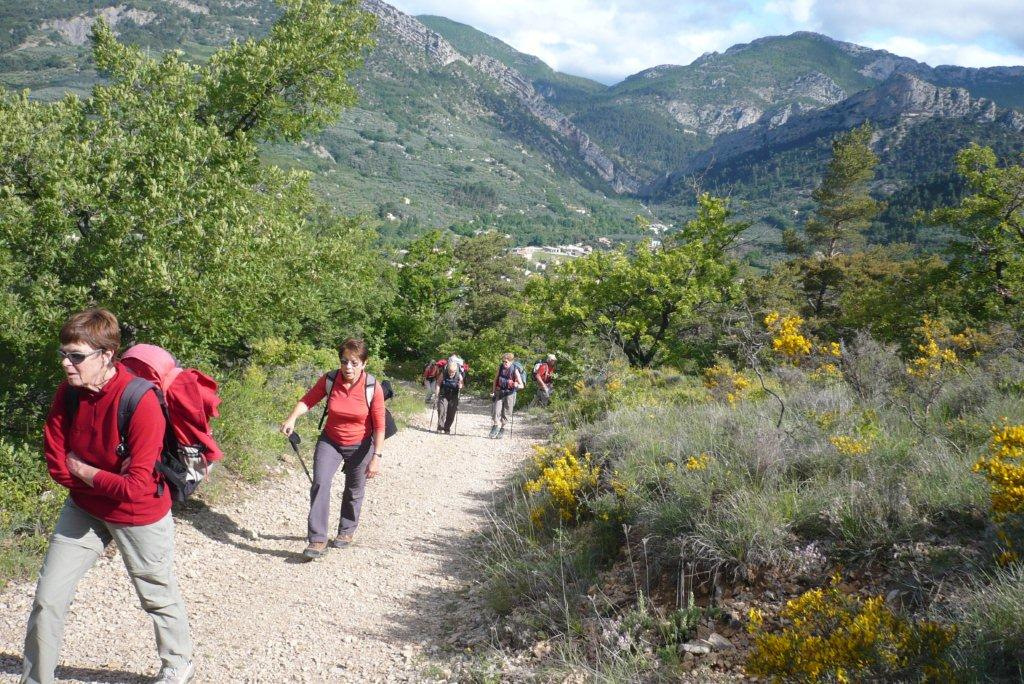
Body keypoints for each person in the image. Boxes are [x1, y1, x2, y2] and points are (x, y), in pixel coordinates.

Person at [23, 308, 194, 684]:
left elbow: (135, 487)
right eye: (63, 353)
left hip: (138, 513)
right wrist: (95, 480)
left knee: (156, 594)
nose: (66, 363)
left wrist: (85, 471)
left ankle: (178, 662)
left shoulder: (140, 401)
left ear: (106, 355)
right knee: (47, 599)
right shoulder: (68, 393)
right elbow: (56, 460)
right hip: (84, 507)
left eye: (76, 356)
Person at [280, 338, 384, 560]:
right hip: (331, 441)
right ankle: (318, 539)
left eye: (354, 363)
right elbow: (308, 400)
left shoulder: (372, 387)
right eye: (344, 361)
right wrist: (292, 418)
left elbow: (379, 425)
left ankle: (346, 530)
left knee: (354, 489)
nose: (348, 367)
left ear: (364, 363)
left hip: (361, 445)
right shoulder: (330, 379)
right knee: (320, 482)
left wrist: (377, 456)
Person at [490, 352, 524, 439]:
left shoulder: (515, 370)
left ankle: (502, 429)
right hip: (499, 392)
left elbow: (522, 385)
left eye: (506, 362)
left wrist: (516, 385)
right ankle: (495, 426)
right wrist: (493, 391)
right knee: (496, 410)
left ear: (511, 362)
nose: (504, 363)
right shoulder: (500, 367)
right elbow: (495, 380)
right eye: (503, 361)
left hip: (510, 394)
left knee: (506, 412)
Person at [434, 355, 465, 434]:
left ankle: (447, 428)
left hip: (454, 395)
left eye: (453, 372)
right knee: (441, 410)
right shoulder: (444, 373)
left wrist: (460, 386)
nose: (451, 373)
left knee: (451, 413)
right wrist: (436, 393)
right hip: (443, 394)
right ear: (447, 369)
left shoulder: (459, 375)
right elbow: (438, 383)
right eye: (450, 371)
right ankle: (440, 427)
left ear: (456, 371)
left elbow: (462, 385)